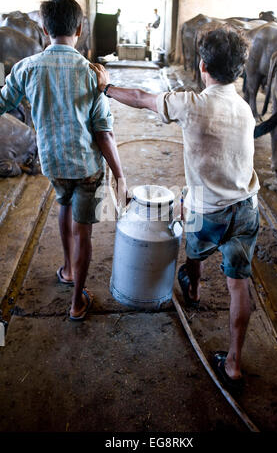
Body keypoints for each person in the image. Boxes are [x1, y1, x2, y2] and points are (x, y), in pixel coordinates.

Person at [89, 28, 260, 392]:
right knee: (238, 284)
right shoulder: (245, 109)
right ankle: (233, 364)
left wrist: (106, 88)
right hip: (247, 207)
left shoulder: (191, 103)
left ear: (202, 66)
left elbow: (140, 97)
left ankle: (193, 290)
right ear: (240, 71)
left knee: (193, 236)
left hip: (207, 212)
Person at [0, 0, 127, 321]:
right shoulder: (93, 73)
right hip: (87, 168)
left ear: (43, 28)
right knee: (83, 230)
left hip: (52, 164)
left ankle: (68, 269)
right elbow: (103, 132)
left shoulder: (26, 68)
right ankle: (76, 302)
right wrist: (119, 174)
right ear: (81, 29)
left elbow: (2, 102)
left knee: (64, 202)